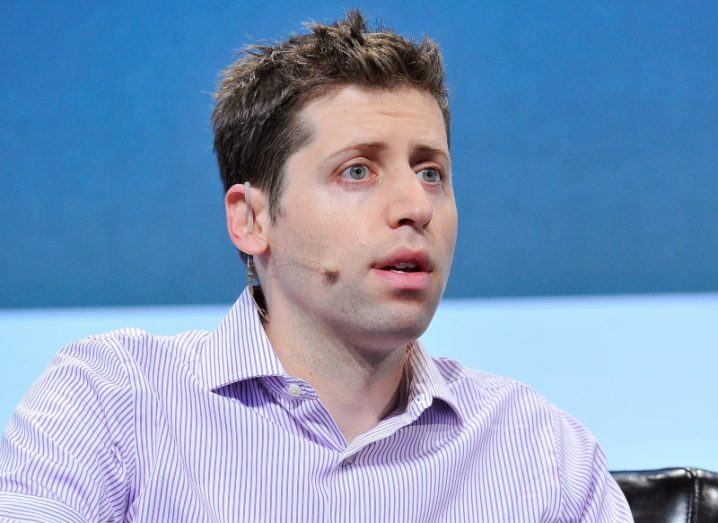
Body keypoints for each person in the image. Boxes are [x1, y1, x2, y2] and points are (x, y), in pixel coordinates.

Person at [0, 10, 633, 522]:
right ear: (252, 219)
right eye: (357, 170)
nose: (416, 206)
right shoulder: (114, 402)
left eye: (431, 171)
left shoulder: (540, 455)